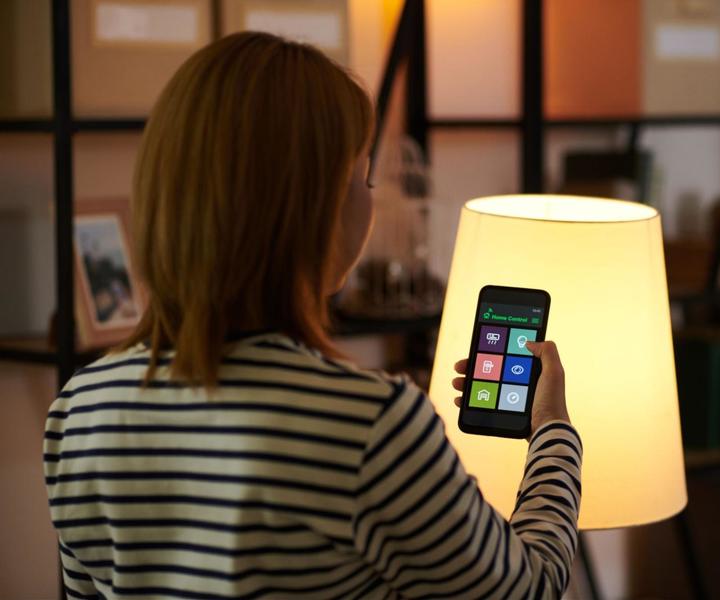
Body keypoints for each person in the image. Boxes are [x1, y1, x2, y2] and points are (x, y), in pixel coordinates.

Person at [44, 32, 582, 599]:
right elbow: (529, 590)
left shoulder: (79, 410)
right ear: (318, 206)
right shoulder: (370, 425)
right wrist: (553, 431)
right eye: (364, 179)